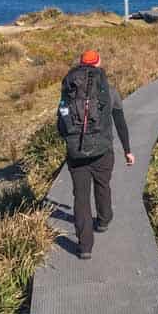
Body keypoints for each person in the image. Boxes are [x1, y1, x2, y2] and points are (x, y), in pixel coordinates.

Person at [57, 49, 135, 259]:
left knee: (80, 197)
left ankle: (84, 247)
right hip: (103, 151)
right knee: (103, 185)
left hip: (76, 154)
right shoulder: (110, 91)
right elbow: (120, 123)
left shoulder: (69, 92)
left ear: (81, 65)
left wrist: (71, 143)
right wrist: (128, 151)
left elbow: (61, 125)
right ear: (98, 64)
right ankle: (103, 220)